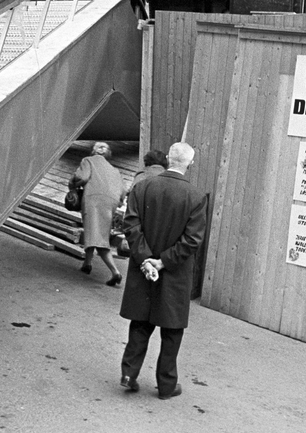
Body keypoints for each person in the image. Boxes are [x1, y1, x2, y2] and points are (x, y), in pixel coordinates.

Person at [118, 141, 206, 399]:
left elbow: (130, 225)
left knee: (140, 323)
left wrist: (146, 259)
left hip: (142, 269)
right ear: (190, 163)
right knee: (172, 330)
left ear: (168, 158)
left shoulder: (143, 187)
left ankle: (128, 373)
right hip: (175, 274)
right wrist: (164, 261)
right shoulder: (196, 197)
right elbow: (192, 240)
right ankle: (166, 385)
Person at [71, 141, 125, 286]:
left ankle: (115, 272)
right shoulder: (115, 170)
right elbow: (122, 193)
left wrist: (72, 184)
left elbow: (82, 177)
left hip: (94, 200)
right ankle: (87, 263)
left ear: (93, 151)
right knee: (94, 231)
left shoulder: (88, 160)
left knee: (98, 238)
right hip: (110, 203)